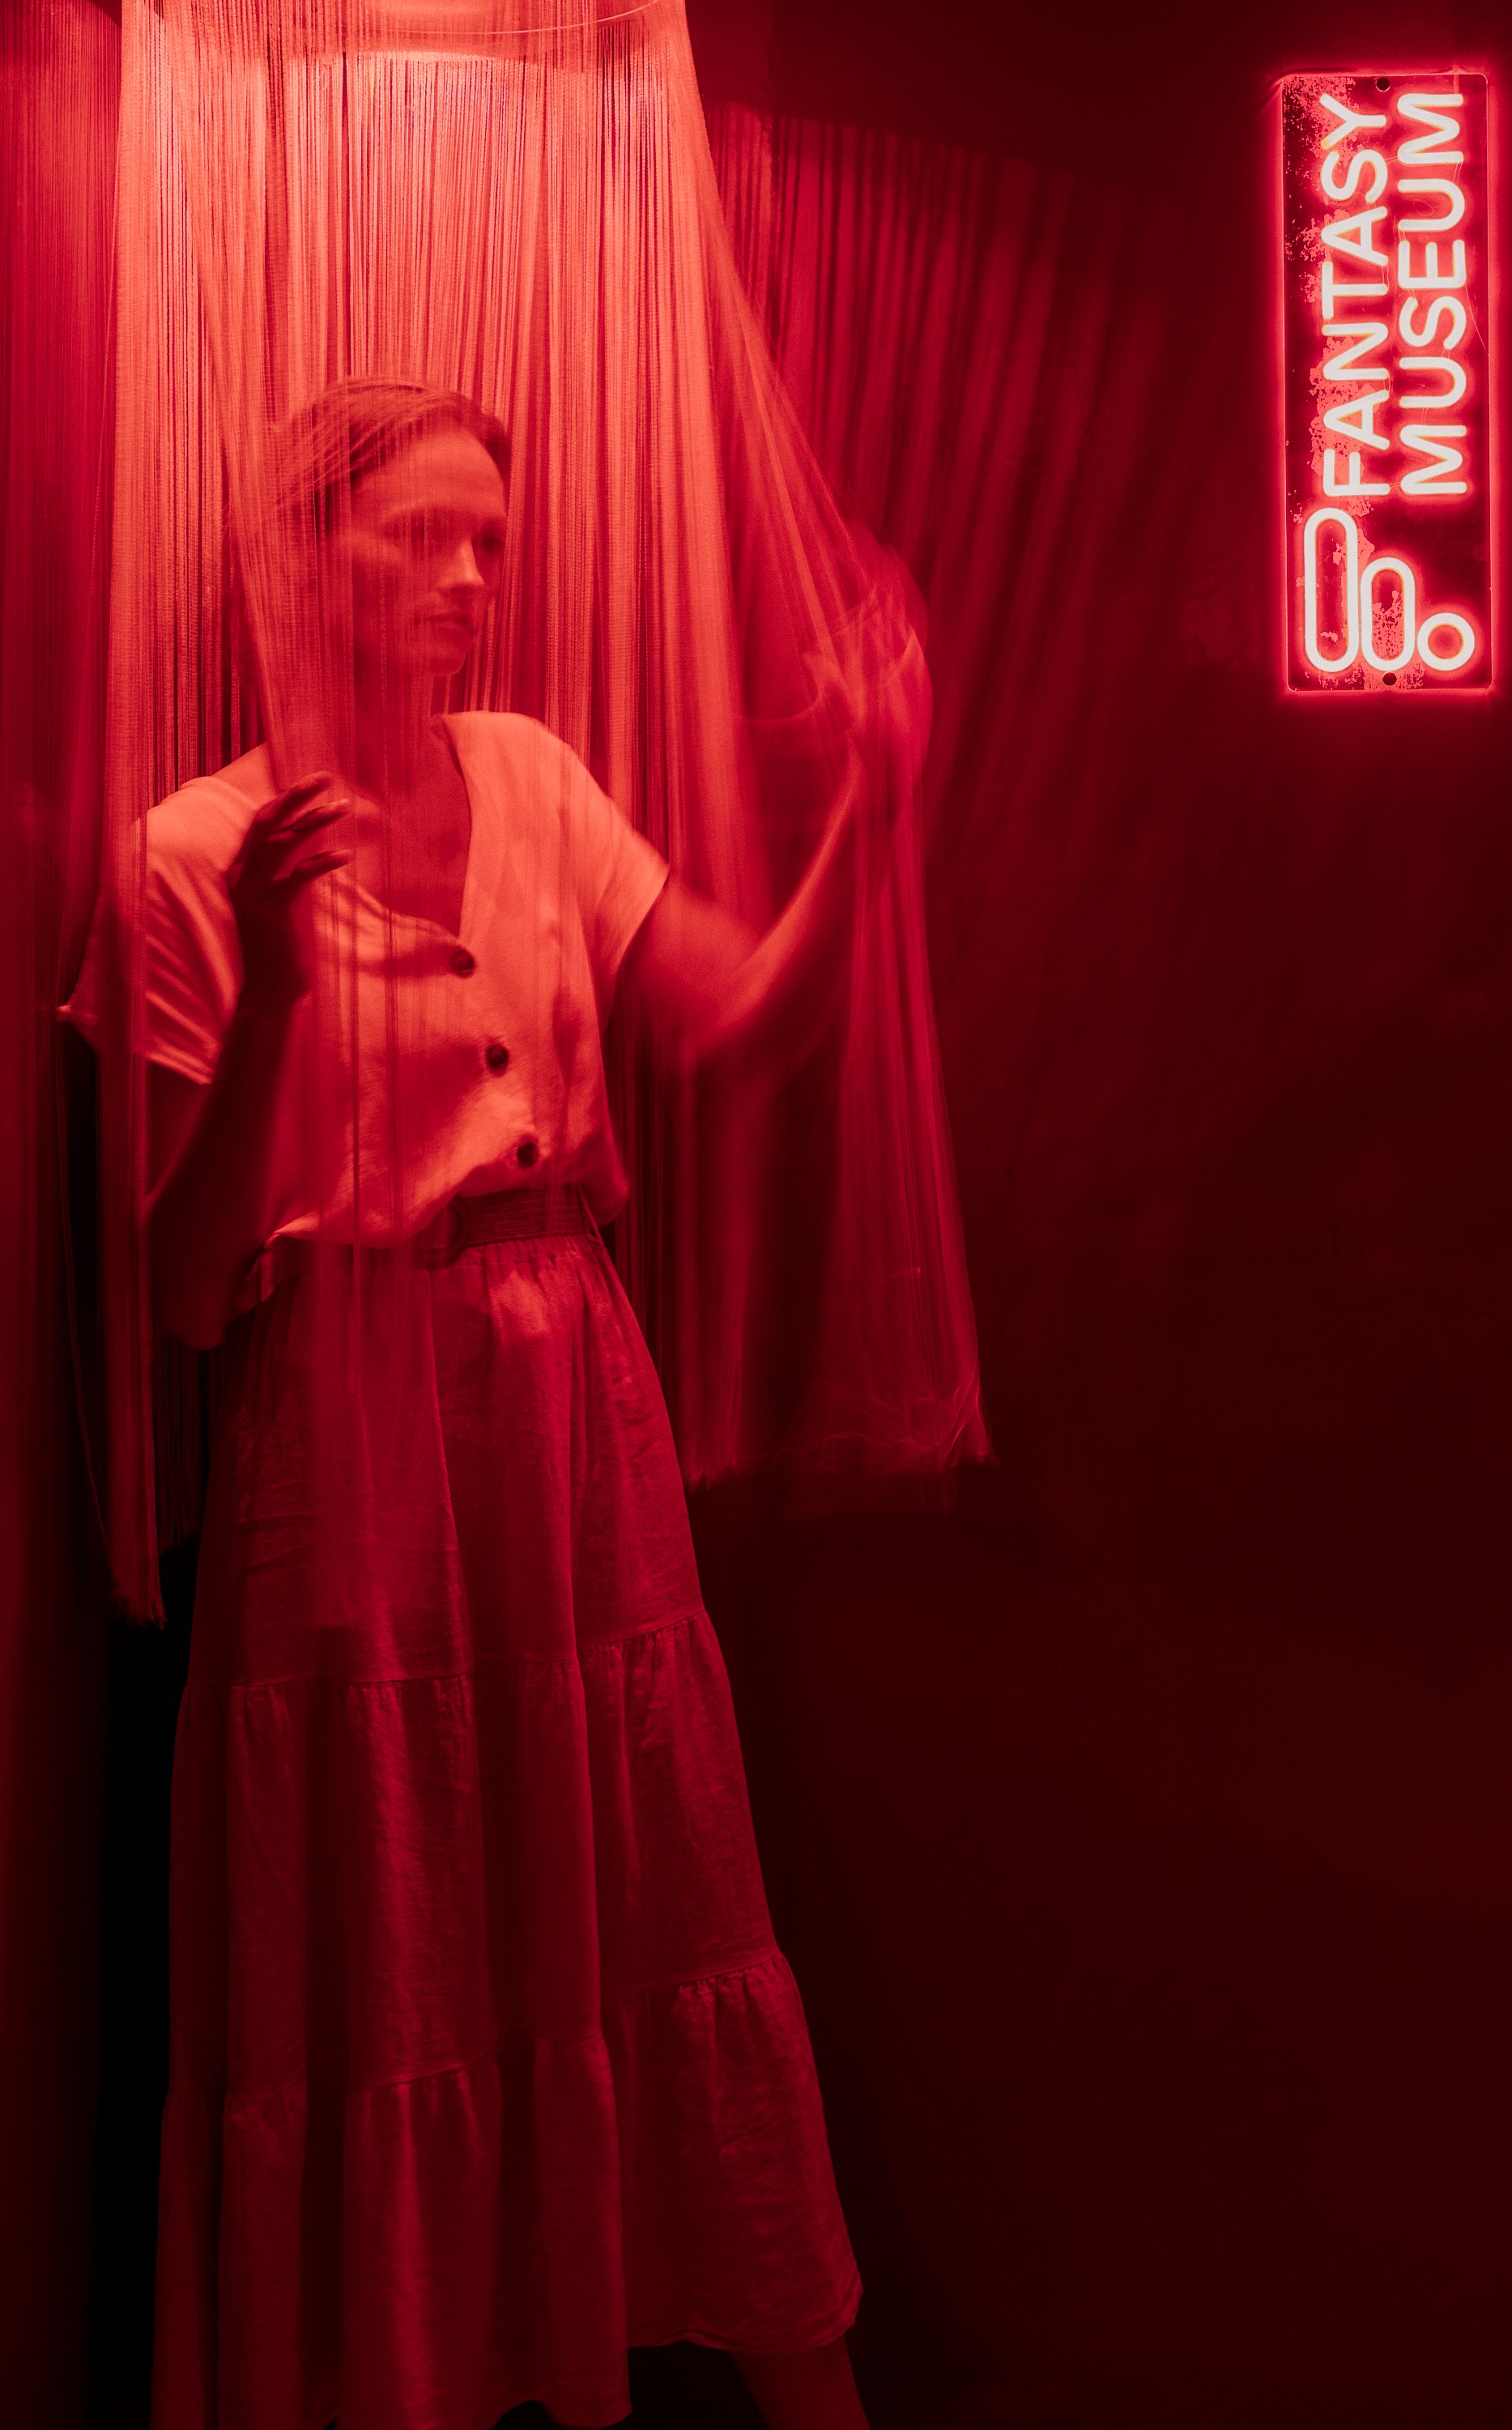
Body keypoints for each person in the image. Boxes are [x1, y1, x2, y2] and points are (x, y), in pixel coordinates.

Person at [68, 378, 923, 2430]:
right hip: (344, 1419)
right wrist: (275, 984)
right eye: (420, 537)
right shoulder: (189, 852)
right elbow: (186, 1296)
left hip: (565, 1397)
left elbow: (744, 1023)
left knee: (647, 1869)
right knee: (389, 1916)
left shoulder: (530, 777)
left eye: (490, 547)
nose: (466, 583)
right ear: (300, 550)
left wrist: (874, 811)